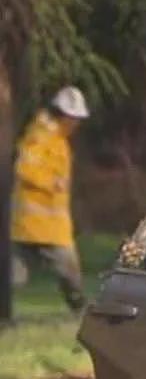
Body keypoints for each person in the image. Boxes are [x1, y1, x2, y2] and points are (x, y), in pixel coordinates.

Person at [10, 86, 90, 312]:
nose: (76, 123)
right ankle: (80, 311)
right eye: (74, 118)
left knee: (16, 275)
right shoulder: (41, 136)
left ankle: (80, 311)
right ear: (62, 114)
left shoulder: (58, 139)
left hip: (47, 225)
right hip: (34, 225)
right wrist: (50, 184)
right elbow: (24, 169)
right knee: (17, 276)